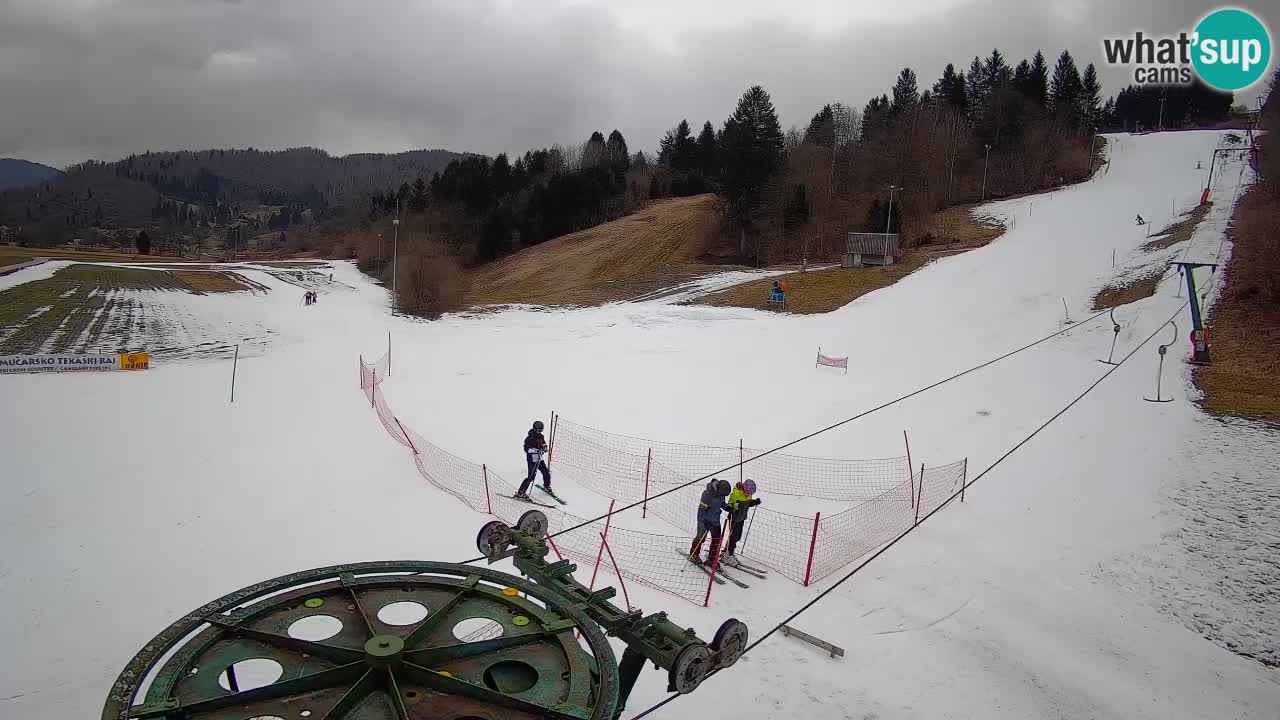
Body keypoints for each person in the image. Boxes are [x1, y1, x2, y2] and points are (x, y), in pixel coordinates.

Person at [688, 478, 732, 566]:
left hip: (715, 520)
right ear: (718, 489)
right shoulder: (707, 494)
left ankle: (712, 559)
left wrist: (727, 507)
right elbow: (702, 510)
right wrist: (704, 521)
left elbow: (722, 503)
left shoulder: (721, 494)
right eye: (723, 494)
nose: (723, 496)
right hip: (703, 519)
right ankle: (694, 555)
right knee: (701, 537)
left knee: (717, 539)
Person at [723, 479, 762, 564]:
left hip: (741, 518)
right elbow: (729, 505)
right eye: (747, 493)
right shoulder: (736, 494)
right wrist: (737, 505)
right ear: (744, 488)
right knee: (733, 537)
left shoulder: (748, 494)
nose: (748, 495)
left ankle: (726, 552)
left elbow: (748, 503)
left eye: (749, 494)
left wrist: (755, 502)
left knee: (737, 537)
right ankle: (729, 554)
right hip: (734, 518)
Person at [515, 420, 550, 498]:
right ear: (534, 429)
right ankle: (521, 492)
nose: (540, 432)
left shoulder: (541, 436)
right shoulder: (529, 438)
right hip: (532, 459)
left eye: (541, 430)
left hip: (539, 458)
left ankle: (547, 486)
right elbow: (526, 449)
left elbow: (543, 443)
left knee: (546, 472)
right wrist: (536, 450)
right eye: (538, 430)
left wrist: (544, 447)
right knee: (531, 477)